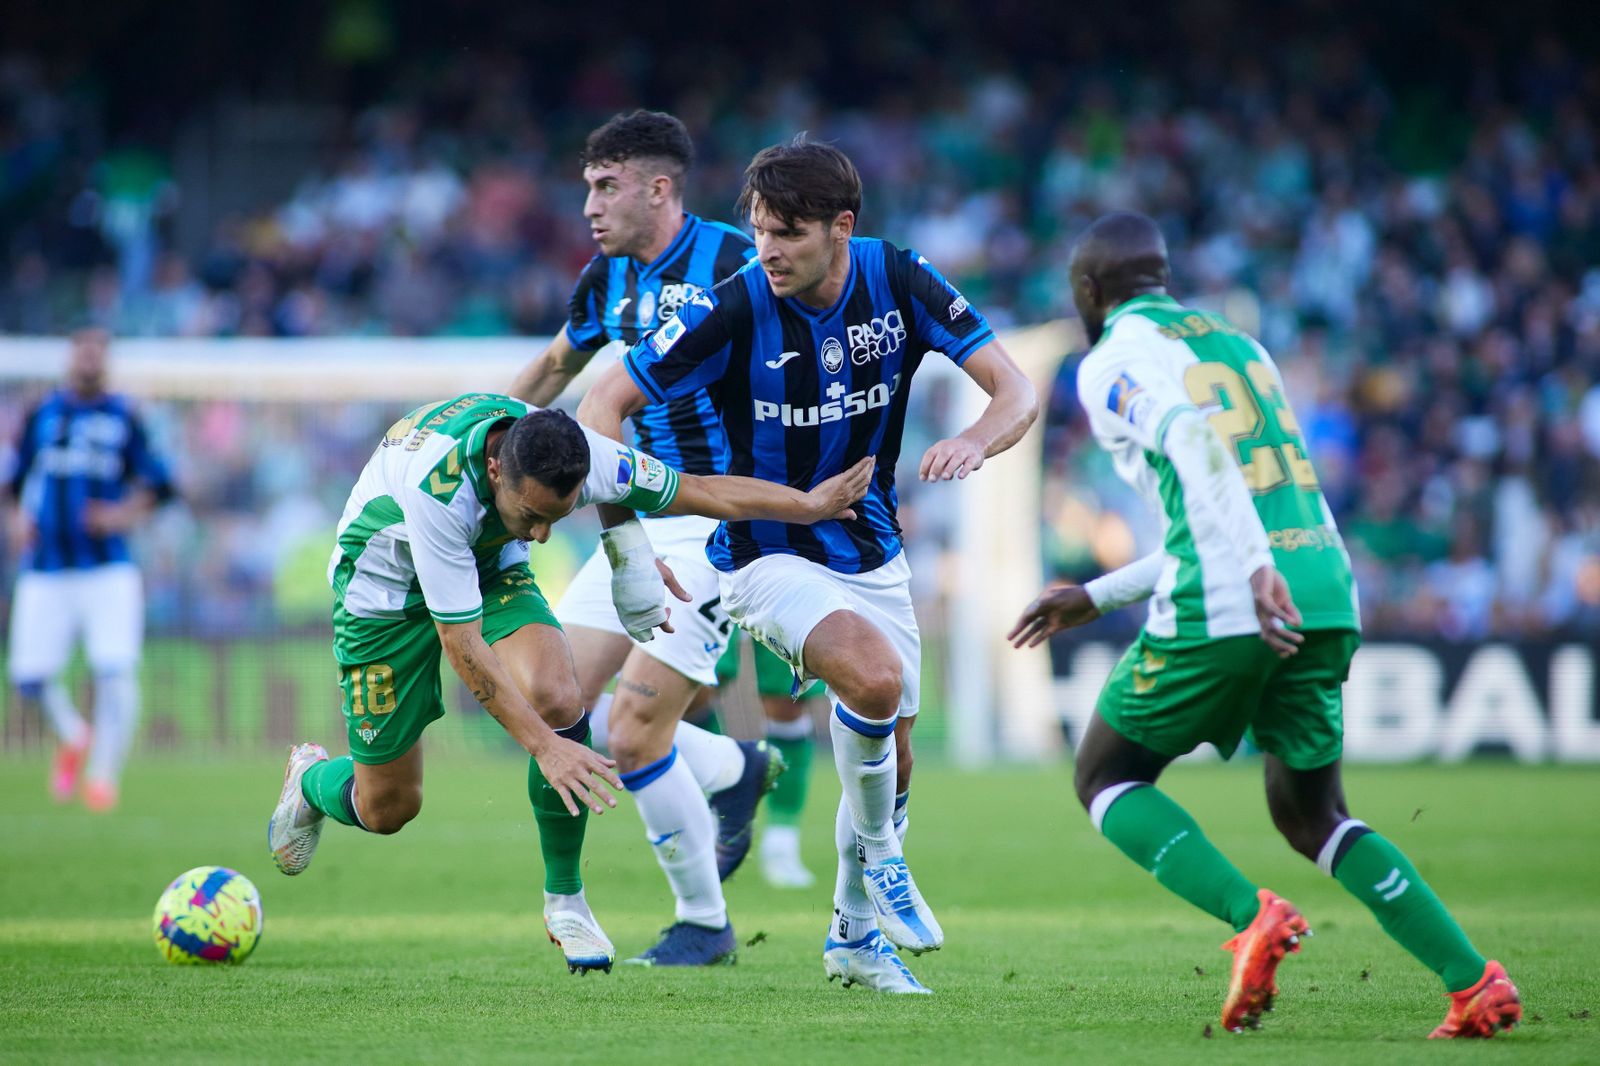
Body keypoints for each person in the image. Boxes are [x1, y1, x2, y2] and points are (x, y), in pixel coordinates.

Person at [1008, 211, 1521, 1039]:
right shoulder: (1242, 346)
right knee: (1312, 814)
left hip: (1238, 594)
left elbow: (1198, 450)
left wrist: (1250, 569)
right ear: (1164, 277)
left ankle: (1251, 918)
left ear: (1088, 293)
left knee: (1105, 776)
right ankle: (1476, 983)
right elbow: (1237, 500)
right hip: (1320, 585)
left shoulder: (1111, 362)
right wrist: (1100, 595)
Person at [581, 137, 1038, 993]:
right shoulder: (734, 306)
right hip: (764, 550)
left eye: (788, 233)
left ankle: (854, 936)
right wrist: (626, 544)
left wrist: (974, 441)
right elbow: (604, 401)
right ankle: (885, 859)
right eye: (758, 230)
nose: (769, 251)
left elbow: (1016, 391)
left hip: (872, 550)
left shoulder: (899, 279)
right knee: (869, 682)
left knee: (893, 755)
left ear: (841, 225)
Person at [267, 395, 872, 977]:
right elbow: (465, 647)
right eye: (530, 517)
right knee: (389, 808)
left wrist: (809, 505)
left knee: (561, 696)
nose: (540, 537)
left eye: (555, 518)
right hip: (381, 594)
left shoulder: (578, 452)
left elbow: (702, 490)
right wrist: (545, 747)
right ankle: (313, 782)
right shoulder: (440, 491)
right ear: (496, 467)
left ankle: (567, 902)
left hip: (485, 565)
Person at [508, 110, 783, 967]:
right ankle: (733, 770)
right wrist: (485, 431)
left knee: (628, 736)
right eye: (586, 185)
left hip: (718, 519)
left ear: (658, 188)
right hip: (634, 520)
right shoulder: (606, 278)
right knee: (556, 703)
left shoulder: (739, 263)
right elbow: (557, 365)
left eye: (605, 185)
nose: (588, 204)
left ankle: (703, 923)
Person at [3, 328, 175, 811]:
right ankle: (74, 734)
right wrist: (17, 522)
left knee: (115, 671)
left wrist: (121, 515)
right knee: (28, 677)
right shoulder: (42, 413)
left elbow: (161, 486)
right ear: (70, 356)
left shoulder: (126, 418)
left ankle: (103, 777)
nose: (89, 359)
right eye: (82, 349)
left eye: (98, 350)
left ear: (106, 360)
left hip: (108, 569)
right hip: (46, 566)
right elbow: (14, 483)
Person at [705, 631, 828, 888]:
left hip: (786, 590)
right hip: (707, 589)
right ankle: (711, 824)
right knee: (702, 683)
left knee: (787, 701)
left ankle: (781, 844)